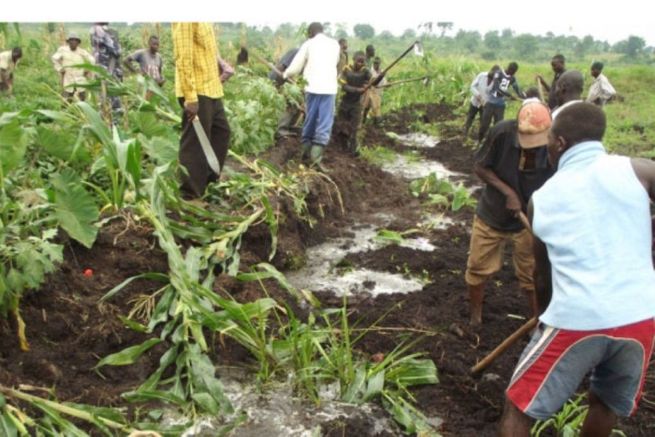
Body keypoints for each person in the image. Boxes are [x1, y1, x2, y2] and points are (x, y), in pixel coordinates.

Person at [499, 102, 655, 437]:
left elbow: (543, 278)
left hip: (579, 317)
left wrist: (543, 318)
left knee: (519, 408)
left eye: (549, 140)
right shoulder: (640, 170)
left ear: (560, 143)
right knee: (605, 403)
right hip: (641, 317)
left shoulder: (543, 198)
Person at [466, 100, 555, 325]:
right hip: (493, 213)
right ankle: (475, 317)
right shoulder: (502, 133)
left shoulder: (556, 144)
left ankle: (537, 321)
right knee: (477, 267)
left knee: (532, 274)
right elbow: (480, 166)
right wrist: (508, 193)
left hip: (532, 219)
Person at [172, 22, 231, 198]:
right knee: (195, 144)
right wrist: (190, 97)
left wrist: (221, 63)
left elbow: (207, 49)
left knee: (222, 133)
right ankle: (190, 195)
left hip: (211, 88)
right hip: (196, 90)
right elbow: (183, 57)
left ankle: (207, 183)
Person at [283, 22, 340, 166]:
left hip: (312, 87)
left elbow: (296, 66)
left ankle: (305, 154)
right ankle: (316, 159)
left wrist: (285, 74)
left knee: (310, 118)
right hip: (329, 89)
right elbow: (336, 63)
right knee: (324, 122)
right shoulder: (335, 44)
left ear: (310, 32)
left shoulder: (309, 43)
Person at [334, 51, 371, 156]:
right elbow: (343, 85)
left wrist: (381, 76)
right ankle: (341, 148)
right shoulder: (346, 69)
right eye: (358, 61)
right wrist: (357, 90)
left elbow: (371, 83)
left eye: (362, 62)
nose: (360, 64)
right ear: (354, 59)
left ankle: (353, 150)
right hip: (344, 102)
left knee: (354, 128)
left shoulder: (366, 72)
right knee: (342, 126)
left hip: (356, 104)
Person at [478, 62, 524, 143]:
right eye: (512, 71)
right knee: (484, 124)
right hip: (490, 103)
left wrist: (523, 96)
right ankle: (479, 140)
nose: (513, 73)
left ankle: (494, 142)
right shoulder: (498, 74)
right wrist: (509, 95)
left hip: (500, 105)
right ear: (509, 68)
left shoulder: (512, 78)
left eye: (514, 72)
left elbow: (517, 89)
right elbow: (497, 88)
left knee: (498, 125)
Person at [268, 47, 302, 138]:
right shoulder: (296, 53)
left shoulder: (303, 55)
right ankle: (281, 130)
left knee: (298, 100)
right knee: (291, 102)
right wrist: (280, 86)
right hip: (278, 79)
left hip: (286, 80)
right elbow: (281, 68)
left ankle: (290, 127)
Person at [51, 33, 95, 102]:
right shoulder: (63, 50)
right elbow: (54, 58)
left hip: (80, 79)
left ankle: (82, 112)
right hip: (68, 79)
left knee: (82, 100)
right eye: (71, 40)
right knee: (66, 100)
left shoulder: (82, 51)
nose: (74, 42)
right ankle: (65, 112)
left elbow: (92, 59)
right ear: (68, 42)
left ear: (78, 43)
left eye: (76, 40)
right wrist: (59, 68)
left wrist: (88, 69)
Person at [90, 23, 123, 114]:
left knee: (105, 94)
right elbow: (117, 51)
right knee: (110, 94)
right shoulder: (99, 30)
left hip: (105, 68)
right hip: (107, 69)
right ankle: (111, 117)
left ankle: (108, 116)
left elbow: (116, 52)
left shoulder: (95, 30)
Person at [463, 65, 499, 138]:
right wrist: (478, 95)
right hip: (475, 101)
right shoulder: (482, 75)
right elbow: (472, 86)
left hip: (485, 104)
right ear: (490, 71)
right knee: (470, 116)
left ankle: (481, 136)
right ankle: (465, 132)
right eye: (490, 76)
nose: (491, 78)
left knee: (483, 120)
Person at [362, 56, 387, 125]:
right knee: (366, 107)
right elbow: (372, 82)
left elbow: (384, 82)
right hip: (369, 92)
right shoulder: (370, 71)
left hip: (378, 92)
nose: (376, 65)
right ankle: (363, 120)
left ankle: (375, 123)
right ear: (373, 63)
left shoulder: (382, 71)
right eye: (375, 63)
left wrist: (387, 85)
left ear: (380, 63)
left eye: (378, 63)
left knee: (376, 108)